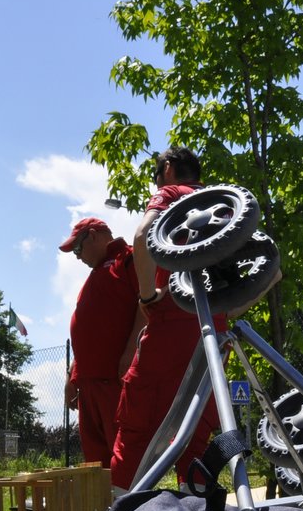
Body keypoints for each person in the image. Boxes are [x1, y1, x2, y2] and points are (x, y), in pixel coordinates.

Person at [109, 146, 225, 492]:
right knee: (196, 434)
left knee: (138, 428)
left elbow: (144, 236)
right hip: (213, 335)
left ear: (169, 169)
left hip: (171, 324)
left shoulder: (173, 194)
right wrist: (227, 310)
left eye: (156, 173)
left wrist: (147, 295)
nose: (156, 181)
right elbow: (271, 272)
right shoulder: (226, 205)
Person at [60, 217, 142, 467]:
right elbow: (88, 328)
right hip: (88, 387)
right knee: (96, 465)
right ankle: (105, 507)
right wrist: (72, 374)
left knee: (124, 458)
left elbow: (147, 306)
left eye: (77, 249)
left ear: (93, 235)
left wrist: (131, 353)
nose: (77, 257)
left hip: (114, 381)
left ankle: (134, 506)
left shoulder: (129, 259)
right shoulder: (94, 276)